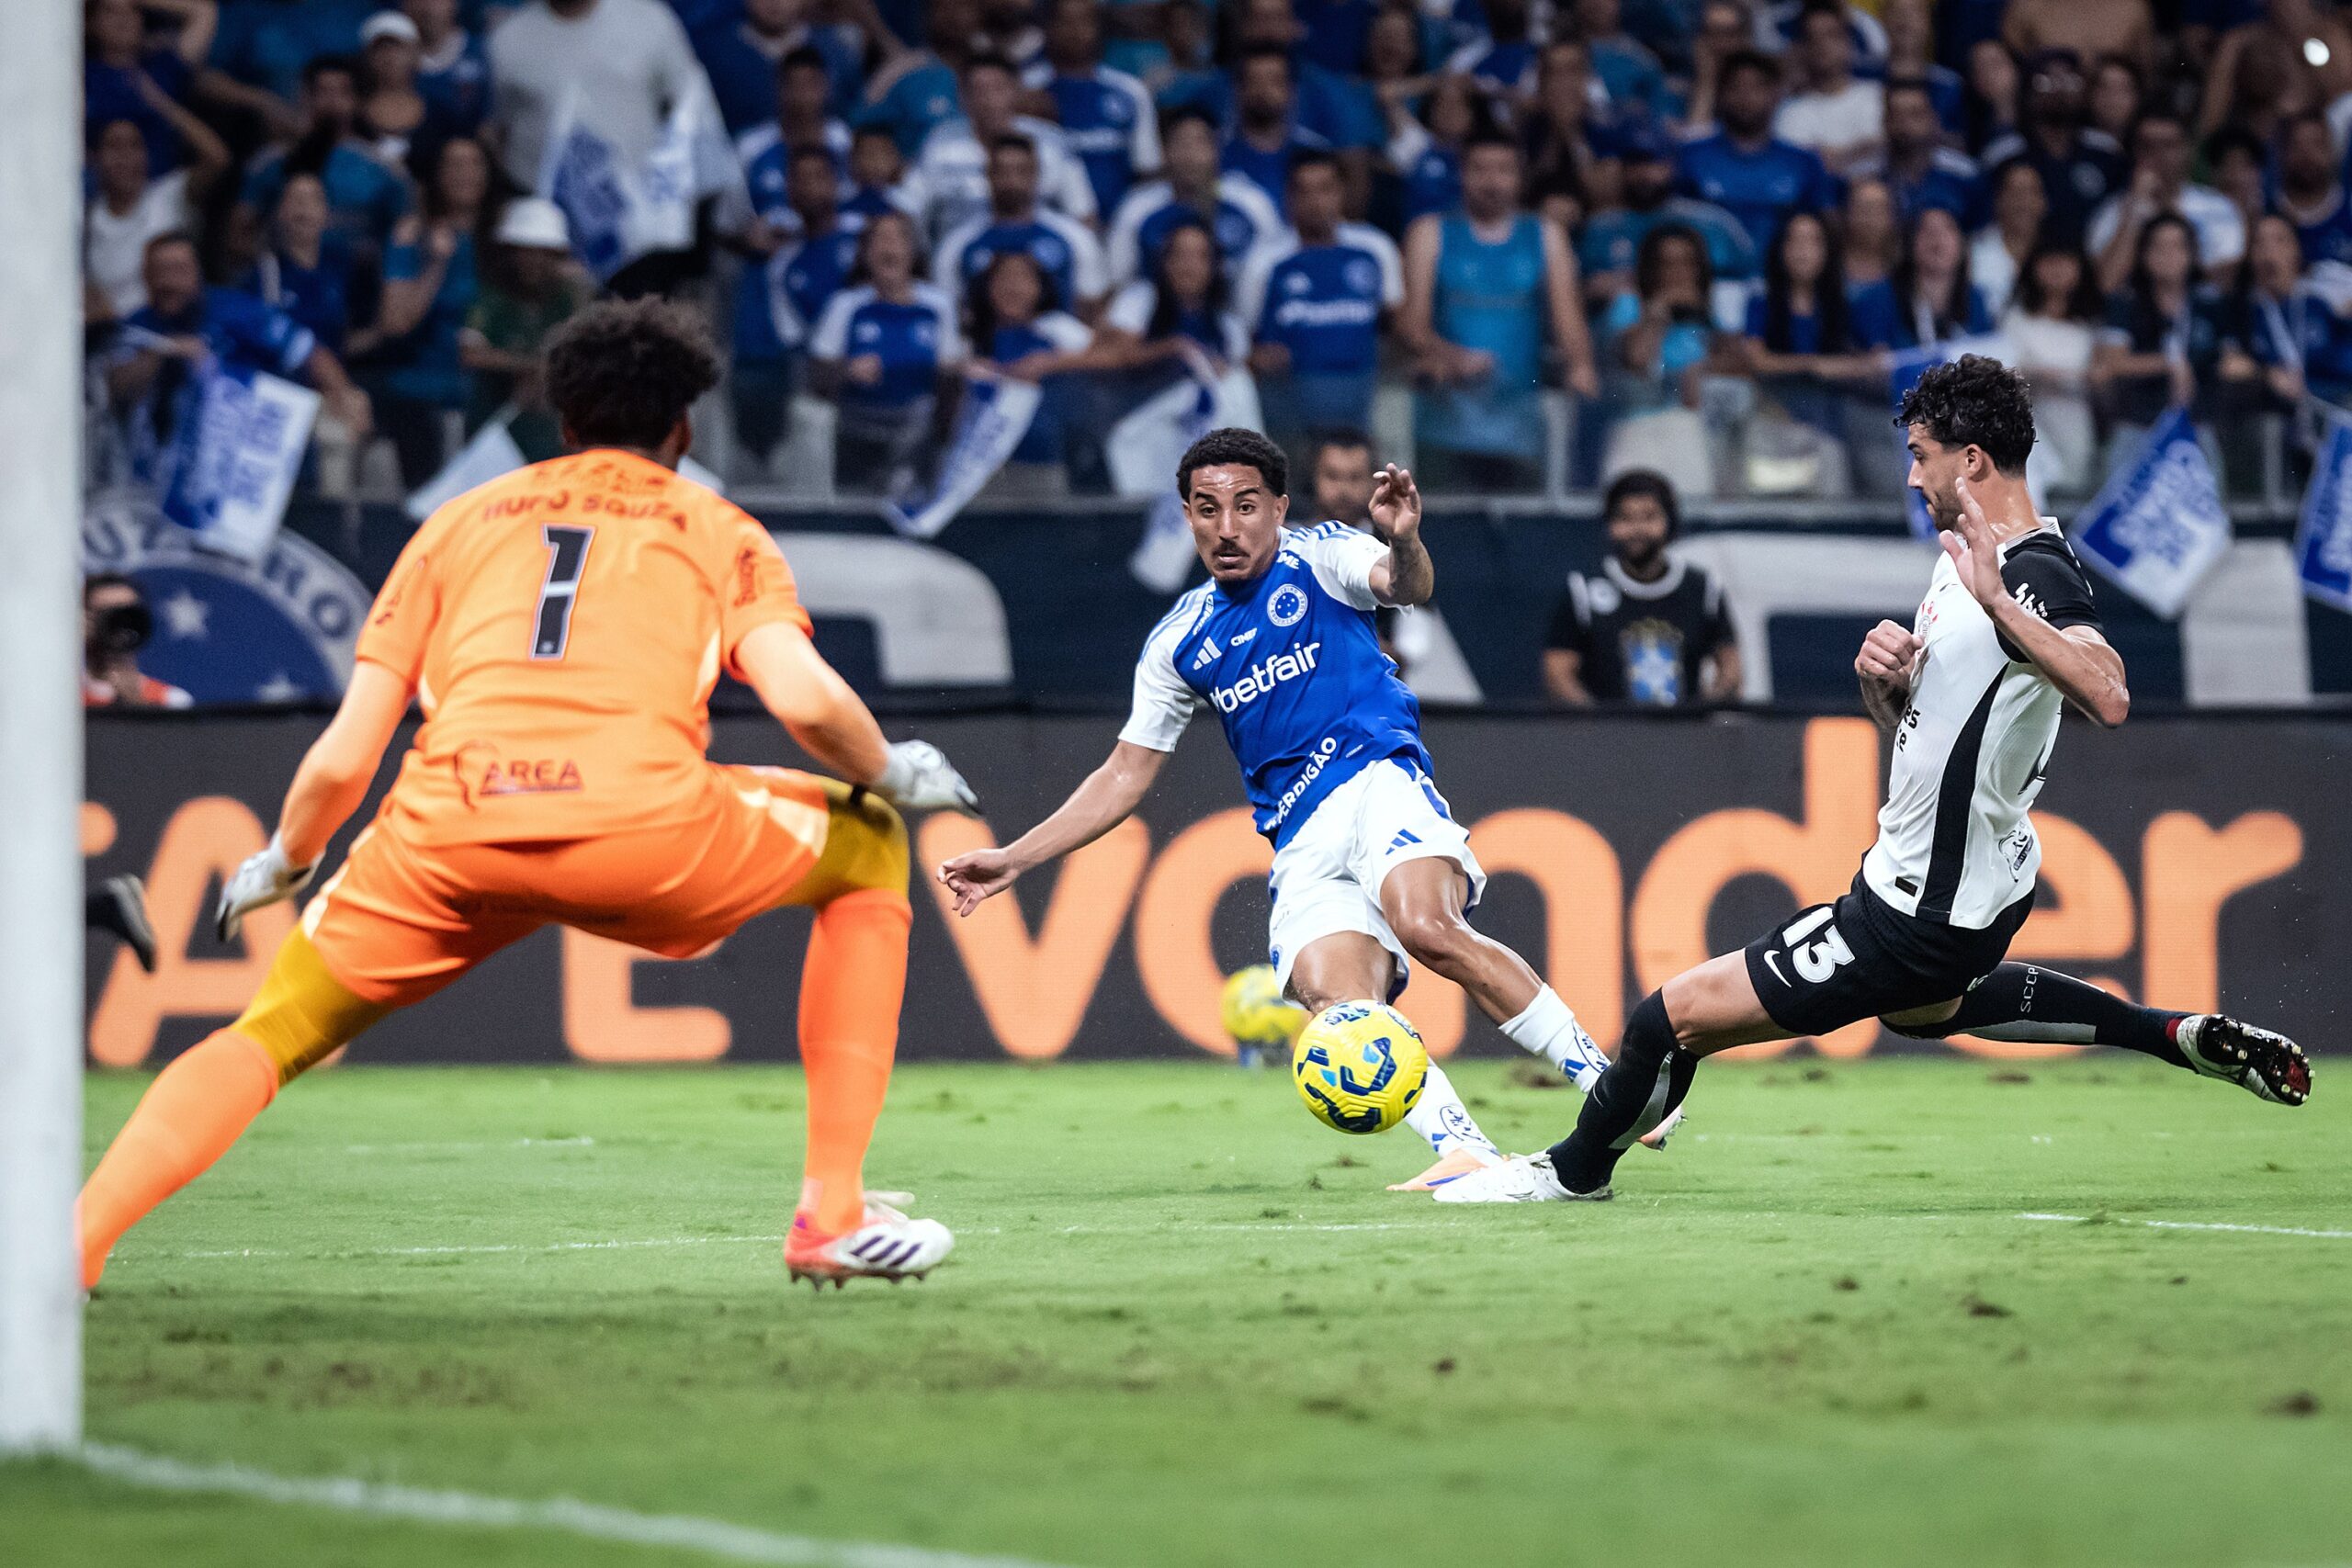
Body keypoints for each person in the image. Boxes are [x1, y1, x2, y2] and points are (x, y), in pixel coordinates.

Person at [75, 298, 985, 1291]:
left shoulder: (456, 524)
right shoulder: (716, 526)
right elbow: (806, 702)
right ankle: (831, 1212)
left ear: (563, 421)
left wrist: (285, 858)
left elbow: (345, 755)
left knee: (267, 1035)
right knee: (866, 844)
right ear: (682, 429)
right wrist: (891, 770)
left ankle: (65, 1251)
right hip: (637, 832)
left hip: (449, 834)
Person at [1437, 355, 2309, 1207]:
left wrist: (2000, 604)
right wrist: (1885, 687)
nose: (1912, 475)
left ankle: (1569, 1172)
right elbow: (1924, 730)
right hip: (1976, 888)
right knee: (1922, 1011)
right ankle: (2170, 1033)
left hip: (1916, 911)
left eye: (1922, 455)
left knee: (1668, 1021)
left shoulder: (2031, 570)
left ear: (1972, 460)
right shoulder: (1963, 556)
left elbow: (2110, 694)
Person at [938, 429, 1649, 1192]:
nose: (1227, 527)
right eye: (1207, 508)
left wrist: (1404, 540)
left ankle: (1617, 1089)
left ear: (1278, 508)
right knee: (1335, 1002)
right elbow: (1123, 775)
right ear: (1187, 516)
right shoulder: (1179, 641)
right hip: (1300, 836)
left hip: (1375, 780)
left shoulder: (1323, 555)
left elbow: (1404, 585)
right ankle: (1466, 1147)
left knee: (1426, 925)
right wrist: (1013, 857)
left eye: (1245, 506)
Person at [1403, 130, 1598, 492]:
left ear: (1520, 176)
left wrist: (1581, 366)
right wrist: (1455, 357)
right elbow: (1411, 325)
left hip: (1520, 422)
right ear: (1462, 173)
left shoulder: (1545, 235)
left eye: (1504, 170)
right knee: (1440, 520)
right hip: (1446, 420)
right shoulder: (1430, 232)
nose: (1492, 181)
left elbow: (1568, 320)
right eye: (1480, 169)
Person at [107, 232, 374, 479]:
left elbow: (308, 351)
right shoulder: (136, 327)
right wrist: (164, 353)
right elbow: (116, 388)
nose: (169, 282)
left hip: (248, 448)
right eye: (159, 272)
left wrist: (345, 394)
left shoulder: (235, 309)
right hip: (163, 463)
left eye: (179, 270)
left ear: (197, 273)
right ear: (145, 276)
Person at [1236, 152, 1404, 444]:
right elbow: (1241, 334)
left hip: (1362, 407)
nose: (1315, 201)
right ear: (1289, 198)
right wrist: (1255, 357)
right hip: (1286, 414)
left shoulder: (1375, 249)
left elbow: (1397, 324)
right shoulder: (1263, 261)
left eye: (1325, 189)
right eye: (1304, 191)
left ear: (1341, 192)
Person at [1543, 470, 1739, 706]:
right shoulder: (1582, 591)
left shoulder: (1702, 589)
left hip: (1683, 728)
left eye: (1649, 517)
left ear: (1669, 521)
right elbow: (1557, 673)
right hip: (1605, 727)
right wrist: (1597, 719)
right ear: (1609, 524)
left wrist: (1701, 711)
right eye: (1625, 518)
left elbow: (1731, 669)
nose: (1637, 529)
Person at [808, 210, 966, 492]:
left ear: (912, 252)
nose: (888, 246)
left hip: (917, 431)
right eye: (879, 239)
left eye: (898, 239)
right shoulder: (845, 305)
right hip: (858, 429)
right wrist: (847, 370)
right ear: (865, 253)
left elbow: (950, 373)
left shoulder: (937, 306)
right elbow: (817, 375)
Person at [368, 136, 491, 486]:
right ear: (437, 174)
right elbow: (395, 323)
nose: (466, 174)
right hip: (421, 394)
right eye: (455, 165)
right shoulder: (412, 235)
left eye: (474, 164)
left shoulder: (501, 239)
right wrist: (436, 265)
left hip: (487, 395)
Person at [903, 52, 1095, 244]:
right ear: (962, 96)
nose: (989, 100)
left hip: (1039, 257)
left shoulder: (1052, 143)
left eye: (998, 89)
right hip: (958, 256)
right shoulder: (939, 145)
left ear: (1016, 91)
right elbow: (908, 208)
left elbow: (1083, 214)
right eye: (979, 90)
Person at [460, 197, 593, 461]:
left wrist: (582, 291)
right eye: (526, 252)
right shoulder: (492, 298)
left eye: (544, 253)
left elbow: (585, 349)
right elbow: (470, 353)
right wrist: (529, 366)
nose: (534, 261)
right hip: (496, 427)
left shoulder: (567, 299)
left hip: (550, 435)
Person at [1597, 223, 1724, 496]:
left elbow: (1739, 366)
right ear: (1651, 269)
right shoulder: (1629, 307)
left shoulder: (1709, 317)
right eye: (1667, 264)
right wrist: (1658, 313)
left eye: (1687, 264)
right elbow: (1637, 360)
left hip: (1693, 432)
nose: (1678, 273)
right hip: (1637, 430)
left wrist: (1703, 368)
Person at [1577, 116, 1759, 306]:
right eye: (1636, 163)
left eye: (1655, 163)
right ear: (1621, 168)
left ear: (1672, 165)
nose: (1645, 174)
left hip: (1702, 320)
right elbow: (1575, 291)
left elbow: (1751, 282)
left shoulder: (1714, 224)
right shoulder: (1599, 230)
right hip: (1624, 322)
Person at [1674, 50, 1838, 256]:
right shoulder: (1691, 157)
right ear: (1721, 94)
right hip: (1711, 271)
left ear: (1776, 95)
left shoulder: (1803, 162)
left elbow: (1826, 232)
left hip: (1781, 273)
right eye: (1736, 87)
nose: (1746, 97)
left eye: (1757, 87)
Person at [2090, 211, 2226, 456]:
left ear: (2192, 254)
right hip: (2137, 424)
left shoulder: (2210, 305)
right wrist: (2169, 364)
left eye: (2177, 247)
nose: (2168, 255)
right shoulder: (2125, 302)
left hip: (2196, 423)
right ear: (2144, 254)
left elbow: (2233, 361)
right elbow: (2109, 364)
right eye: (2159, 247)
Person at [934, 133, 1111, 320]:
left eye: (1021, 171)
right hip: (983, 338)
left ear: (1036, 175)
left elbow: (1092, 307)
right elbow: (948, 311)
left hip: (1058, 336)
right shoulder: (957, 244)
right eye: (1002, 171)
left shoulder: (1074, 238)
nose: (1012, 181)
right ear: (988, 175)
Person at [1105, 107, 1283, 287]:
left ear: (1217, 149)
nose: (1190, 155)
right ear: (1164, 152)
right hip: (1158, 302)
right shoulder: (1138, 207)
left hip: (1234, 302)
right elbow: (1119, 280)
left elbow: (1271, 268)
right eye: (1181, 143)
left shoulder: (1251, 203)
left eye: (1200, 143)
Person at [85, 115, 230, 322]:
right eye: (114, 146)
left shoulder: (169, 195)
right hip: (116, 330)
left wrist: (158, 104)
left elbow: (217, 158)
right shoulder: (87, 218)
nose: (125, 156)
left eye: (135, 146)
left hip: (176, 324)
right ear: (95, 157)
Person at [2086, 112, 2245, 294]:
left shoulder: (2219, 207)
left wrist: (2167, 209)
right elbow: (2106, 284)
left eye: (2168, 145)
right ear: (2135, 152)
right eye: (2148, 147)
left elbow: (2230, 281)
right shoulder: (2112, 213)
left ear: (2186, 150)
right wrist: (2135, 210)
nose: (2158, 155)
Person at [1978, 51, 2125, 245]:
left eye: (2070, 80)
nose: (2059, 88)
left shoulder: (2106, 152)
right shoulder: (2004, 155)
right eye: (2046, 81)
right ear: (2028, 91)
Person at [1035, 0, 1161, 218]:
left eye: (1084, 21)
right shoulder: (1028, 92)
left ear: (1098, 27)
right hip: (1052, 225)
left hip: (1119, 222)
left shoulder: (1130, 92)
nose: (1076, 31)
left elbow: (1147, 169)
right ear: (1049, 28)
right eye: (1066, 21)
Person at [2000, 241, 2103, 494]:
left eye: (2066, 260)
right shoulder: (2015, 319)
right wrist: (2041, 375)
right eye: (2049, 260)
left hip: (2076, 425)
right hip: (2029, 426)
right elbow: (2003, 376)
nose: (2057, 268)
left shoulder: (2090, 324)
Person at [84, 0, 217, 176]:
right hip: (102, 186)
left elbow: (204, 11)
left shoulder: (162, 67)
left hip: (162, 186)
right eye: (110, 12)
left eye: (133, 11)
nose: (123, 19)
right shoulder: (81, 76)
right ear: (92, 23)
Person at [1850, 206, 1992, 352]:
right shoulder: (1877, 299)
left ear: (1962, 243)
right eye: (1928, 231)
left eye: (1948, 230)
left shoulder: (1975, 300)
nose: (1938, 241)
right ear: (1910, 241)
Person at [1222, 46, 1338, 218]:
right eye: (1254, 81)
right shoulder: (1216, 152)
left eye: (1274, 81)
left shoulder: (1316, 151)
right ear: (1238, 89)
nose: (1263, 91)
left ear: (1291, 90)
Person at [1774, 0, 1884, 174]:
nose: (1822, 44)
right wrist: (1864, 147)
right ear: (1803, 49)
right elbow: (1801, 167)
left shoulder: (1878, 97)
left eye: (1831, 35)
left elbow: (1893, 145)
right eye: (1813, 38)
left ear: (1848, 42)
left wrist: (1826, 155)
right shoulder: (1791, 112)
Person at [1858, 78, 1984, 230]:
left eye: (1915, 115)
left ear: (1933, 120)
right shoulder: (1864, 177)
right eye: (1896, 115)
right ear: (1885, 122)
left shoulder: (1965, 175)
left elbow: (1981, 234)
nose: (1905, 124)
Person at [82, 573, 192, 710]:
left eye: (126, 615)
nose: (117, 624)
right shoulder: (61, 694)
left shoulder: (170, 700)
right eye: (104, 614)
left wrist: (136, 703)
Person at [2272, 113, 2352, 271]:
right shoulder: (2267, 211)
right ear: (2282, 152)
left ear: (2331, 151)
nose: (2307, 155)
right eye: (2298, 146)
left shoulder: (2349, 208)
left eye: (2316, 145)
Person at [1970, 157, 2047, 312]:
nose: (2024, 202)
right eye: (2015, 192)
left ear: (2043, 201)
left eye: (2031, 192)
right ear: (1998, 200)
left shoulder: (2057, 254)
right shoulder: (1974, 251)